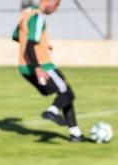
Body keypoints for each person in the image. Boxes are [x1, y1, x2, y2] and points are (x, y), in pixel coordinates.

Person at [13, 0, 86, 142]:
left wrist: (44, 44)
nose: (56, 8)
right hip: (42, 65)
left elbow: (16, 37)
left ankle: (75, 134)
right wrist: (38, 68)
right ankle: (52, 111)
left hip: (24, 67)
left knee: (64, 93)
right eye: (57, 4)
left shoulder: (25, 14)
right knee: (67, 93)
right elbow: (30, 45)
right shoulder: (38, 17)